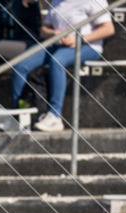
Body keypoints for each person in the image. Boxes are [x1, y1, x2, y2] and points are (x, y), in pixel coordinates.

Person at [12, 0, 114, 132]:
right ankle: (20, 115)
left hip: (87, 46)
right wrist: (54, 34)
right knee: (21, 65)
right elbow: (44, 30)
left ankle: (55, 116)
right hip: (57, 44)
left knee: (57, 61)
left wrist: (79, 38)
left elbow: (108, 28)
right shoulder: (56, 1)